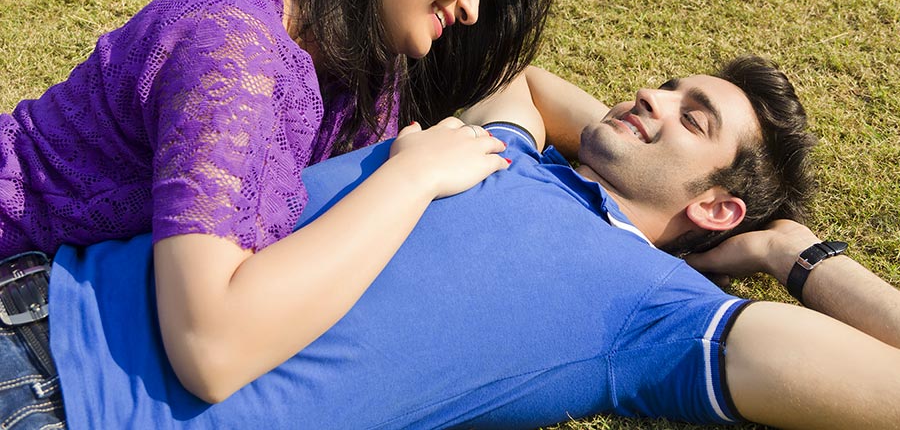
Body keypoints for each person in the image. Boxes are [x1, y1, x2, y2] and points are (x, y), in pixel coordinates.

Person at [18, 55, 899, 429]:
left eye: (690, 118)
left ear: (717, 209)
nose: (651, 99)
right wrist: (633, 156)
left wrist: (790, 253)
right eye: (667, 85)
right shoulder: (502, 148)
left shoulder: (660, 318)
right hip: (41, 282)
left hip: (76, 409)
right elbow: (537, 86)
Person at [0, 0, 555, 410]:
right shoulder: (230, 48)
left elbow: (523, 88)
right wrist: (410, 180)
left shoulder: (359, 68)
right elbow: (208, 351)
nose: (472, 7)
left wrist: (654, 167)